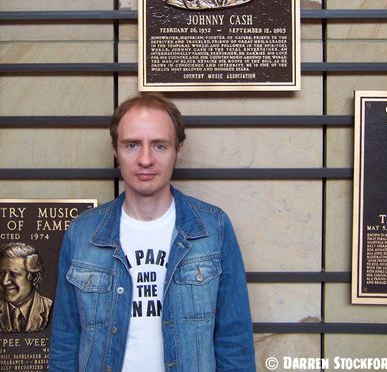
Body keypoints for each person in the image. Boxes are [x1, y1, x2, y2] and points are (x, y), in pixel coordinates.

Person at [49, 93, 256, 372]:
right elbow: (66, 340)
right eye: (132, 145)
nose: (145, 159)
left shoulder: (213, 229)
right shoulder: (83, 232)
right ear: (115, 150)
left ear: (177, 150)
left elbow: (234, 341)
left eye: (159, 146)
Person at [0, 242, 53, 333]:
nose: (4, 282)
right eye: (2, 273)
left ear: (35, 278)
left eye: (14, 274)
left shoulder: (52, 309)